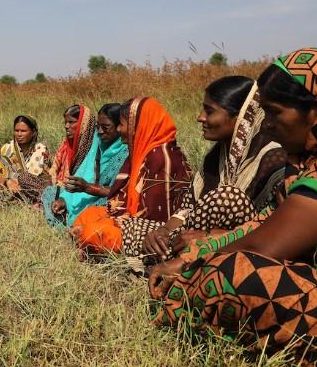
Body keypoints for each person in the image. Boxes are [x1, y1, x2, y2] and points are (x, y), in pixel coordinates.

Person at [150, 48, 317, 363]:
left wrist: (191, 267)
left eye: (274, 112)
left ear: (316, 111)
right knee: (207, 256)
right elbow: (262, 224)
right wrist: (195, 254)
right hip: (315, 285)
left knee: (237, 272)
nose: (266, 125)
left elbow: (266, 246)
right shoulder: (309, 161)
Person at [141, 76, 286, 262]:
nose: (200, 117)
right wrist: (163, 232)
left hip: (248, 245)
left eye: (209, 111)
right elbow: (188, 209)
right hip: (195, 234)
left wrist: (213, 236)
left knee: (226, 198)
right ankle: (168, 251)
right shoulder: (216, 156)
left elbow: (279, 225)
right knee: (136, 229)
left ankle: (176, 257)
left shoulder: (273, 159)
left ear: (241, 117)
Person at [71, 97, 192, 255]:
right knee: (88, 215)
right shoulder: (139, 152)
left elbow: (153, 219)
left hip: (149, 230)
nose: (119, 129)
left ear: (139, 125)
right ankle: (90, 243)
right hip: (129, 218)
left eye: (121, 124)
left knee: (92, 233)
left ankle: (91, 244)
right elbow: (122, 201)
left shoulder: (162, 158)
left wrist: (112, 222)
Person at [42, 104, 129, 227]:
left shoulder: (126, 152)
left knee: (100, 213)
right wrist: (64, 199)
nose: (99, 131)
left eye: (106, 127)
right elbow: (83, 174)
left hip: (106, 200)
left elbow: (119, 193)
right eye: (98, 127)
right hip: (85, 194)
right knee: (50, 192)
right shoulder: (97, 144)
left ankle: (77, 222)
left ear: (119, 127)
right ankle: (68, 216)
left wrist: (88, 188)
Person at [0, 115, 52, 206]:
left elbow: (46, 178)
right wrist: (8, 181)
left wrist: (23, 183)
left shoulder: (41, 150)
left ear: (33, 132)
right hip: (10, 188)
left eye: (23, 131)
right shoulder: (6, 149)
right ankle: (19, 202)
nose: (19, 134)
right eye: (16, 131)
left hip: (31, 190)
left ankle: (24, 202)